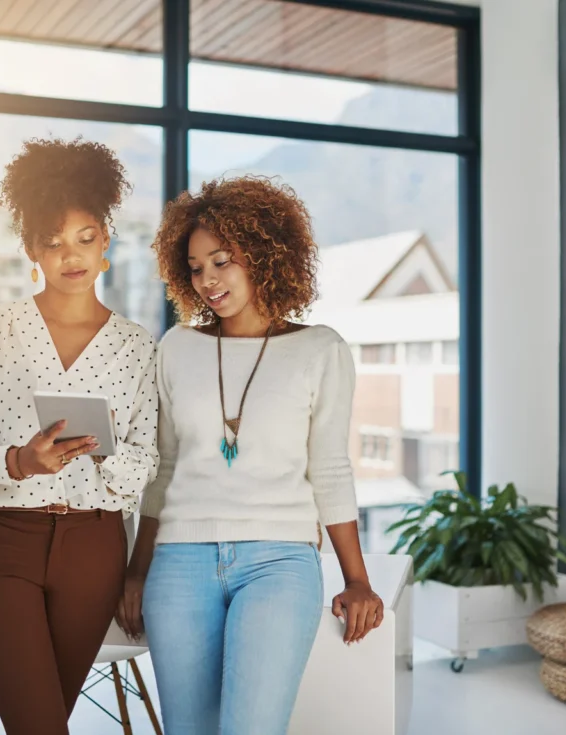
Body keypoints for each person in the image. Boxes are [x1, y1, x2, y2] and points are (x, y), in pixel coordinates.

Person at [116, 176, 383, 735]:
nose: (208, 280)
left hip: (279, 561)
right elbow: (163, 469)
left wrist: (356, 579)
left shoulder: (321, 349)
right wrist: (136, 572)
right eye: (195, 268)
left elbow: (329, 468)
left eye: (222, 261)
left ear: (264, 254)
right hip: (179, 562)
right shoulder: (176, 347)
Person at [0, 137, 159, 735]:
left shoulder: (137, 345)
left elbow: (147, 458)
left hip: (94, 548)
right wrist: (18, 461)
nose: (71, 255)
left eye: (85, 237)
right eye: (53, 241)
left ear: (106, 241)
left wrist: (106, 458)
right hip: (4, 543)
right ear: (31, 248)